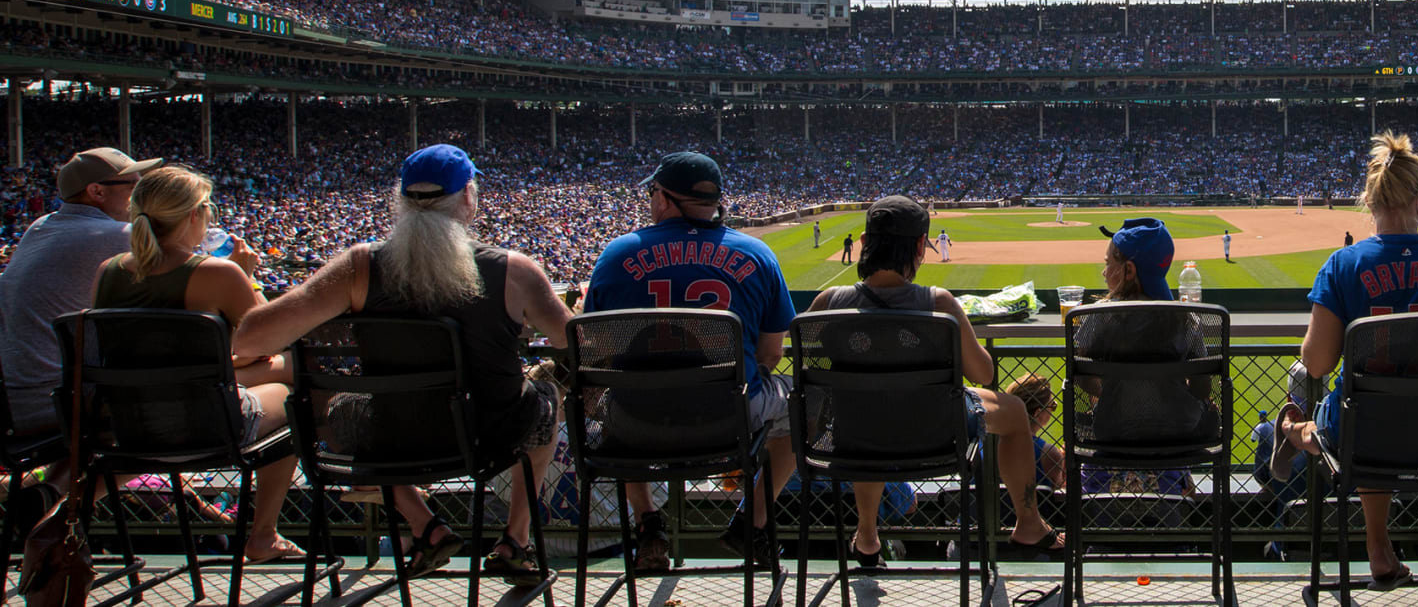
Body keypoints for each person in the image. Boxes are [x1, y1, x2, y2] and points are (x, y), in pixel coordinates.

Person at [236, 144, 573, 585]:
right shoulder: (513, 270)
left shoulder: (359, 267)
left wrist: (248, 276)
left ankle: (425, 524)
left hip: (389, 436)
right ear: (469, 196)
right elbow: (574, 341)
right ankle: (515, 539)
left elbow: (251, 336)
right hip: (487, 435)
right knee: (546, 398)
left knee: (343, 407)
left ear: (400, 199)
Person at [1272, 132, 1418, 591]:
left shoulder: (1343, 266)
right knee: (1380, 411)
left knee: (1356, 408)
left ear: (1369, 201)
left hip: (1366, 438)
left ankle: (1300, 439)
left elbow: (1316, 364)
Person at [804, 195, 1062, 565]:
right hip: (936, 438)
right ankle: (1028, 522)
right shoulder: (938, 303)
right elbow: (984, 374)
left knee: (866, 412)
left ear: (864, 243)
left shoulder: (829, 300)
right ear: (920, 247)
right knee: (1016, 411)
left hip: (853, 438)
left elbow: (802, 353)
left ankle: (867, 535)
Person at [581, 152, 797, 568]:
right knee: (805, 401)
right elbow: (770, 353)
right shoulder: (756, 254)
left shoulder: (616, 254)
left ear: (664, 198)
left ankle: (648, 522)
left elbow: (598, 349)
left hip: (635, 421)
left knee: (612, 402)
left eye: (651, 191)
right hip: (730, 417)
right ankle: (751, 522)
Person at [86, 165, 303, 562]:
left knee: (263, 370)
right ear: (193, 215)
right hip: (207, 424)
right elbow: (273, 335)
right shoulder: (218, 273)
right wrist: (249, 277)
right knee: (292, 389)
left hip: (130, 425)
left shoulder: (109, 272)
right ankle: (264, 535)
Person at [1, 147, 161, 439]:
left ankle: (49, 487)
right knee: (180, 405)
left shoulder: (39, 227)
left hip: (15, 404)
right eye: (134, 186)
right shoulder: (118, 236)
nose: (142, 194)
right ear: (97, 191)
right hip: (59, 402)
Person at [1072, 219, 1205, 504]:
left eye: (1109, 264)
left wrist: (1111, 391)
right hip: (1176, 439)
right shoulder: (1187, 318)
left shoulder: (1099, 316)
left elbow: (1081, 375)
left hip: (1111, 435)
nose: (1104, 271)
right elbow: (1203, 388)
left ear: (1129, 270)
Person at [1005, 374, 1067, 491]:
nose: (1053, 410)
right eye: (1052, 406)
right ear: (1038, 413)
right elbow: (1060, 495)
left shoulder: (988, 443)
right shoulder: (1048, 454)